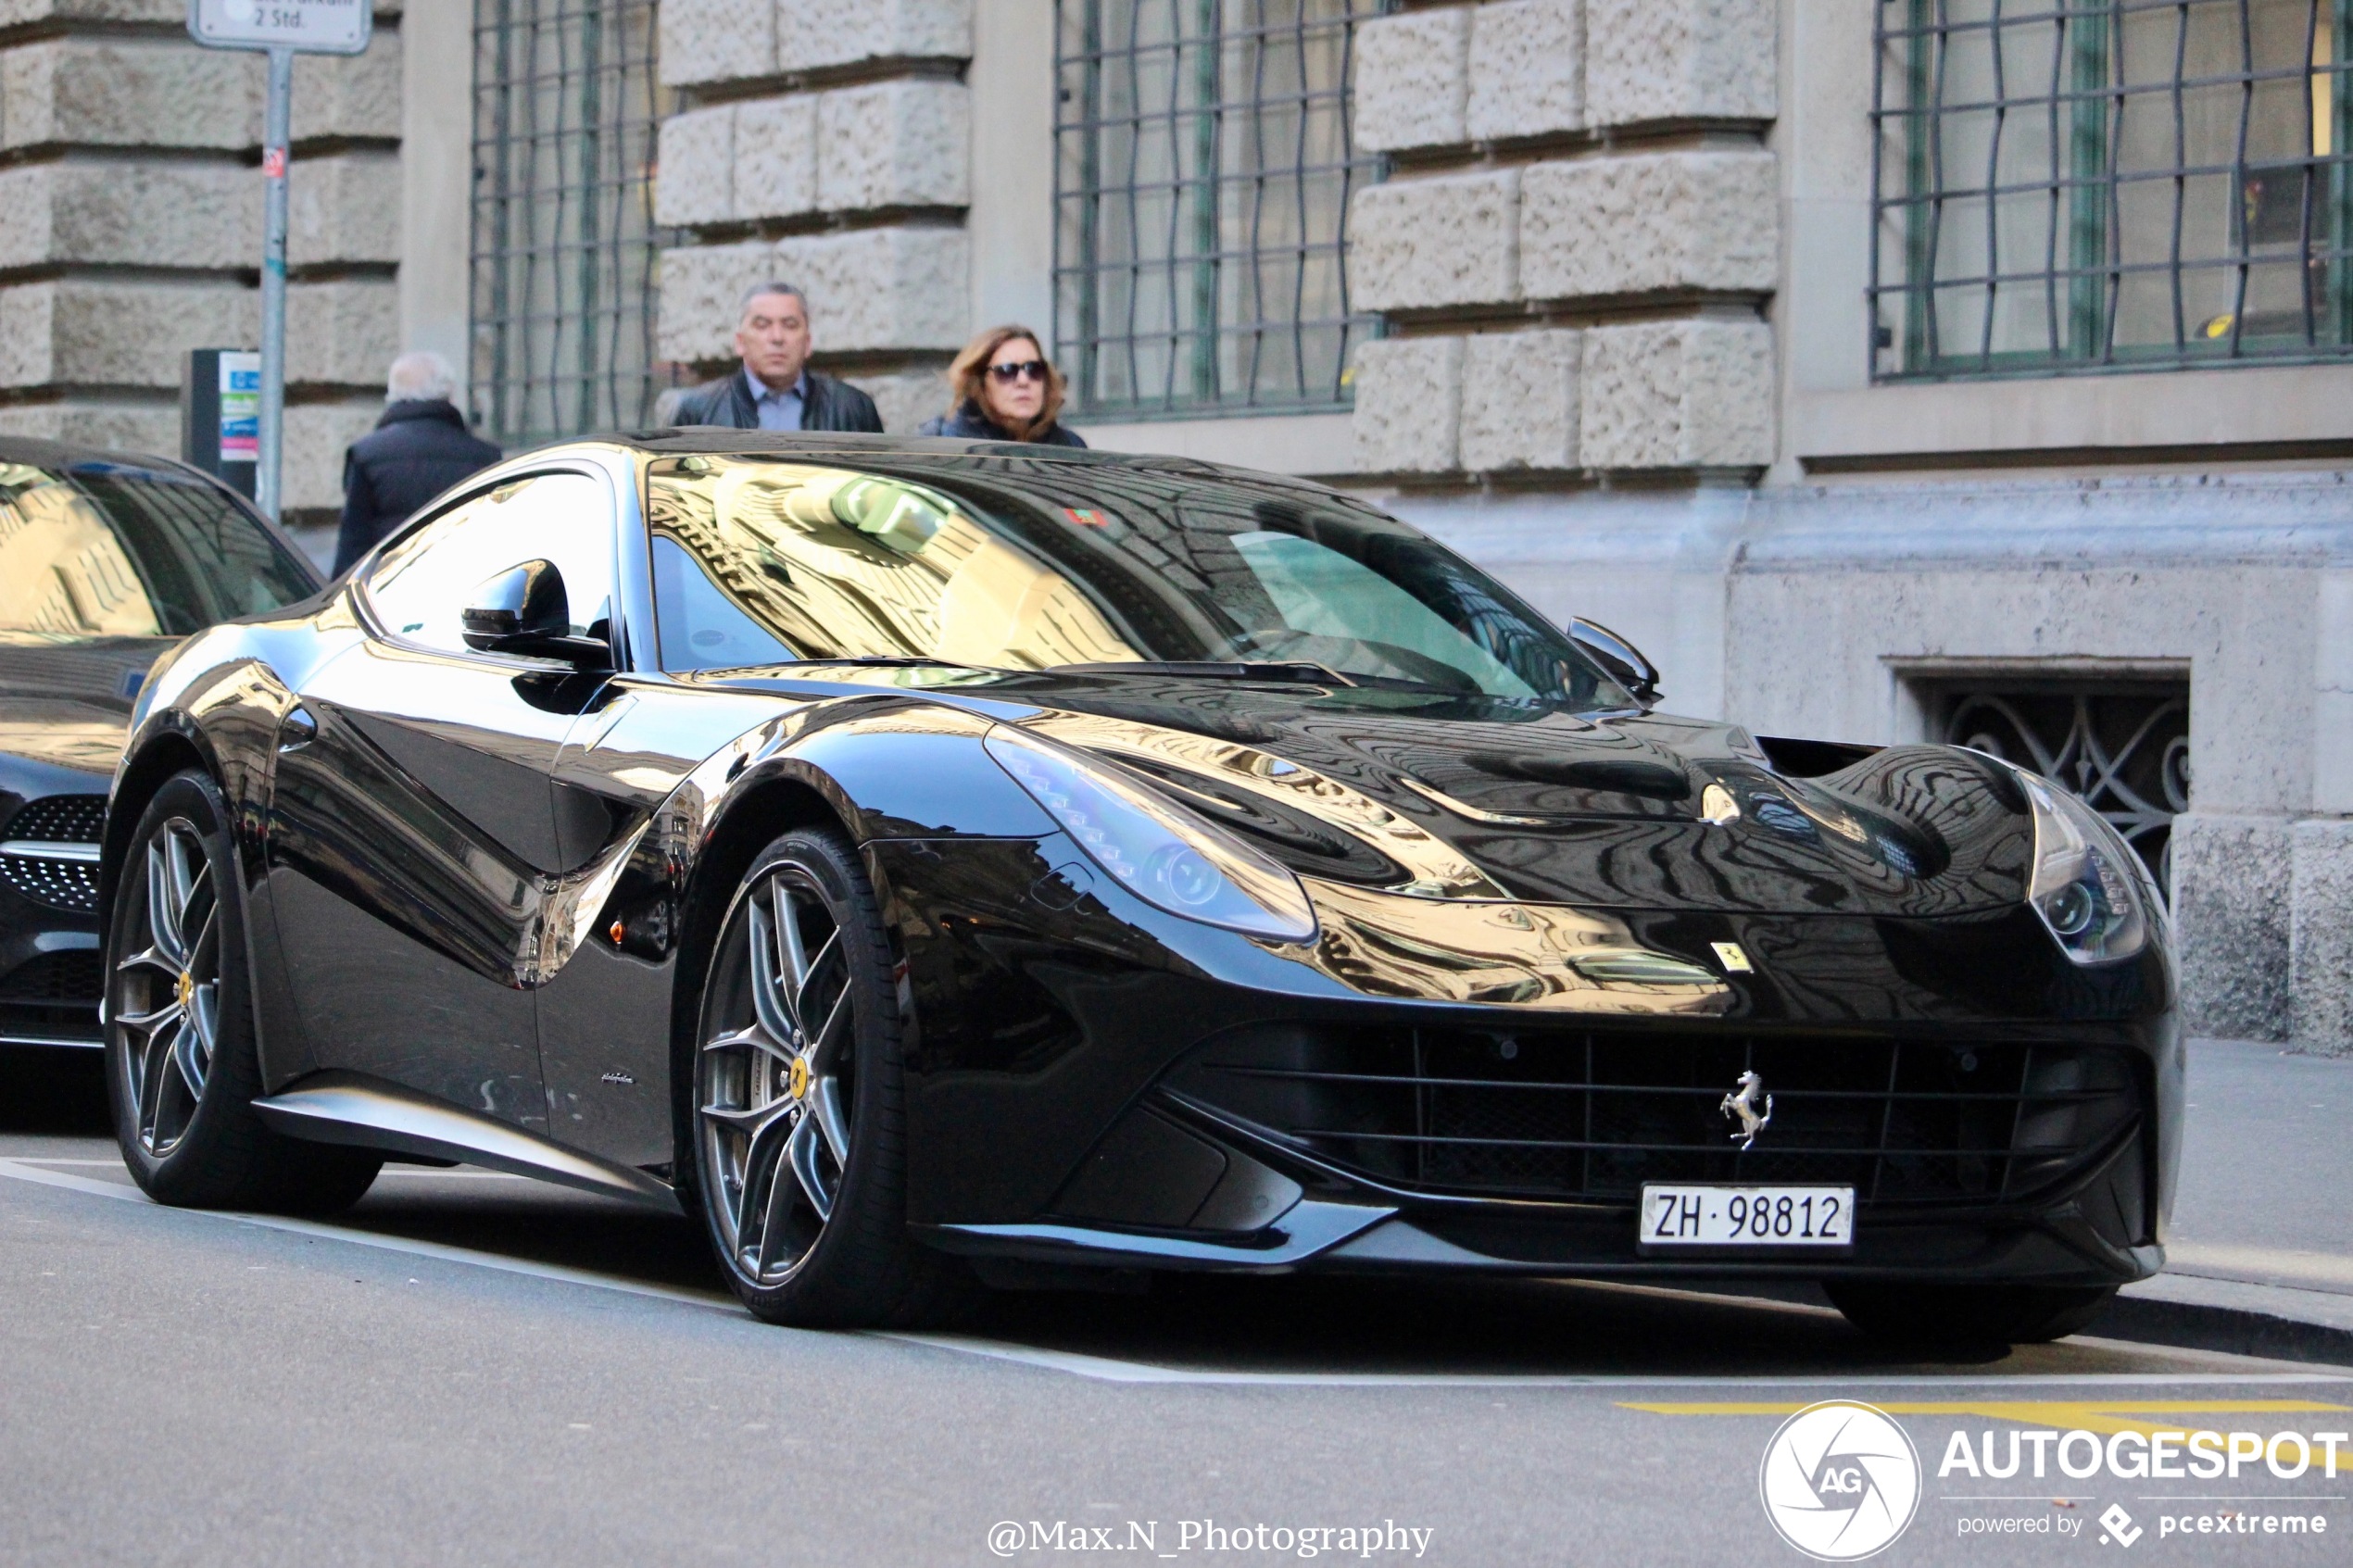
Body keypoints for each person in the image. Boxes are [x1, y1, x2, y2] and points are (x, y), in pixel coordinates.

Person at [333, 351, 504, 575]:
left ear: (392, 395)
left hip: (386, 591)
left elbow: (353, 547)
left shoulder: (367, 454)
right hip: (460, 585)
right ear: (448, 393)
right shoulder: (485, 457)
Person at [670, 282, 884, 433]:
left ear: (808, 342)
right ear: (740, 342)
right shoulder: (698, 410)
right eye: (762, 325)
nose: (777, 338)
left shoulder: (852, 408)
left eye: (790, 325)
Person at [918, 327, 1087, 446]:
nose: (1023, 381)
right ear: (979, 383)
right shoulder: (940, 442)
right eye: (1006, 371)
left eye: (1034, 369)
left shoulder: (1071, 446)